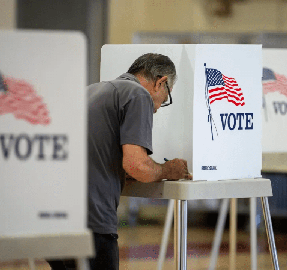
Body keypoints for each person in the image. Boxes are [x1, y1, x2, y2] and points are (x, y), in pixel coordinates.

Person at [47, 53, 192, 270]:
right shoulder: (138, 95)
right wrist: (168, 170)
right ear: (160, 82)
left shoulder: (91, 91)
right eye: (166, 96)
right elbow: (137, 166)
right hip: (92, 222)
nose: (159, 107)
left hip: (54, 221)